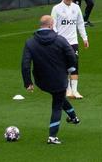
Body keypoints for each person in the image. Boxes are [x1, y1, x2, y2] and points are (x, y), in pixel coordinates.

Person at [20, 15, 79, 145]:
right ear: (51, 25)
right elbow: (72, 56)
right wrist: (70, 68)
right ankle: (52, 137)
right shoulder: (60, 40)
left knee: (59, 97)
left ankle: (74, 117)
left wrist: (28, 82)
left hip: (42, 81)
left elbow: (25, 64)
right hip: (59, 79)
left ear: (41, 25)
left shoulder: (30, 42)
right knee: (57, 105)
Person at [50, 0, 89, 99]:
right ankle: (67, 89)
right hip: (61, 42)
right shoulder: (56, 9)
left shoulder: (76, 8)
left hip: (73, 42)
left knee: (74, 65)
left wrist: (84, 38)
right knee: (63, 66)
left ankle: (75, 91)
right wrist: (57, 39)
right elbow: (53, 25)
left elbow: (80, 23)